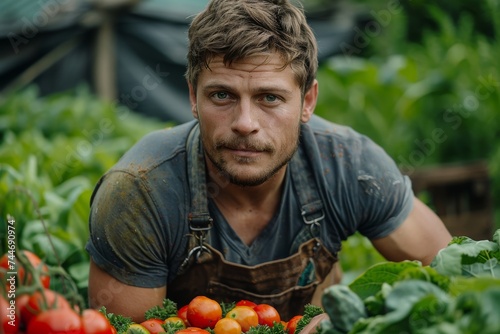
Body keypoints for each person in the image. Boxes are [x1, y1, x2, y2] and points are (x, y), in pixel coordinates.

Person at [86, 0, 452, 324]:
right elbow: (131, 327)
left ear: (307, 101)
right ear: (193, 98)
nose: (245, 123)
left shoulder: (349, 165)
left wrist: (344, 319)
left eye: (270, 98)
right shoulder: (141, 191)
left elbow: (450, 273)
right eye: (222, 95)